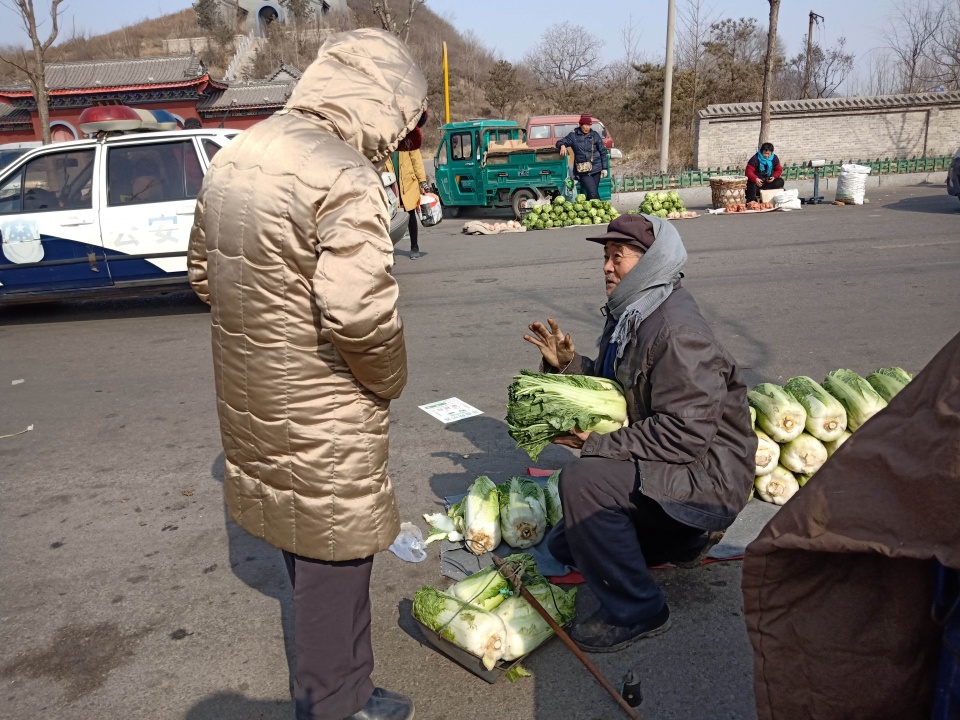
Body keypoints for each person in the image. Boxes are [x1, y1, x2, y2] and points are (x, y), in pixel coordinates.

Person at [188, 28, 427, 720]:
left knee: (308, 546)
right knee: (338, 564)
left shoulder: (239, 153)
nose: (399, 134)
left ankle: (351, 689)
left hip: (252, 392)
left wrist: (266, 328)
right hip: (324, 405)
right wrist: (390, 379)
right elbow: (359, 317)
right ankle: (334, 705)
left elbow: (202, 274)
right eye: (403, 117)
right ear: (380, 97)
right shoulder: (343, 172)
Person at [522, 213, 756, 654]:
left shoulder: (675, 331)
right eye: (605, 257)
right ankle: (683, 541)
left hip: (707, 479)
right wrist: (569, 367)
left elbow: (684, 434)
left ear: (651, 262)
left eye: (618, 257)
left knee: (583, 483)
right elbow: (621, 393)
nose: (607, 267)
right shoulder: (636, 311)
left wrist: (596, 445)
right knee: (569, 543)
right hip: (681, 464)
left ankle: (639, 609)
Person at [386, 117, 429, 259]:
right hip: (390, 184)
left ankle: (414, 247)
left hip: (408, 182)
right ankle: (388, 251)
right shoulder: (383, 141)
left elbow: (416, 160)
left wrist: (422, 181)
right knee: (388, 218)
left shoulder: (408, 137)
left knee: (411, 214)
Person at [556, 113, 608, 201]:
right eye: (585, 125)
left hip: (596, 169)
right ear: (581, 124)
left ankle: (590, 212)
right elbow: (559, 142)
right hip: (583, 170)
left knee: (592, 193)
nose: (587, 127)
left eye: (589, 125)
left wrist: (604, 168)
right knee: (592, 193)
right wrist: (562, 145)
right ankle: (601, 209)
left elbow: (603, 152)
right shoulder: (573, 136)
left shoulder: (595, 135)